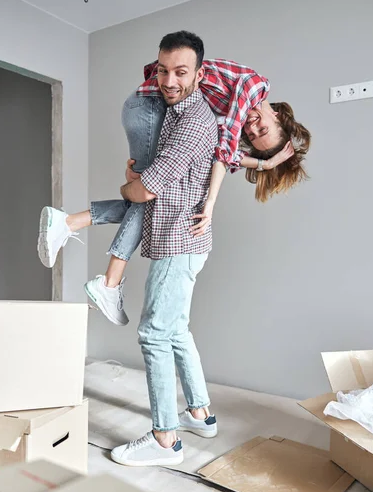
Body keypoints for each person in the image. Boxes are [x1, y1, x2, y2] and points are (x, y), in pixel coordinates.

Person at [37, 34, 311, 326]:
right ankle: (108, 282)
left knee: (151, 195)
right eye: (262, 127)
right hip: (150, 108)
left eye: (254, 136)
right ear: (278, 115)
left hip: (146, 107)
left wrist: (264, 162)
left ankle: (69, 225)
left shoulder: (233, 111)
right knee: (149, 195)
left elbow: (220, 153)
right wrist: (211, 202)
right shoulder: (256, 87)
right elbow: (226, 145)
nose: (252, 128)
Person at [108, 31, 218, 466]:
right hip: (182, 239)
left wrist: (129, 183)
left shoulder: (192, 121)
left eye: (180, 72)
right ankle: (201, 413)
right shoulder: (174, 111)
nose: (169, 80)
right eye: (163, 70)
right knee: (175, 331)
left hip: (179, 242)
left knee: (155, 333)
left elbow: (147, 189)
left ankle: (165, 440)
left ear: (199, 73)